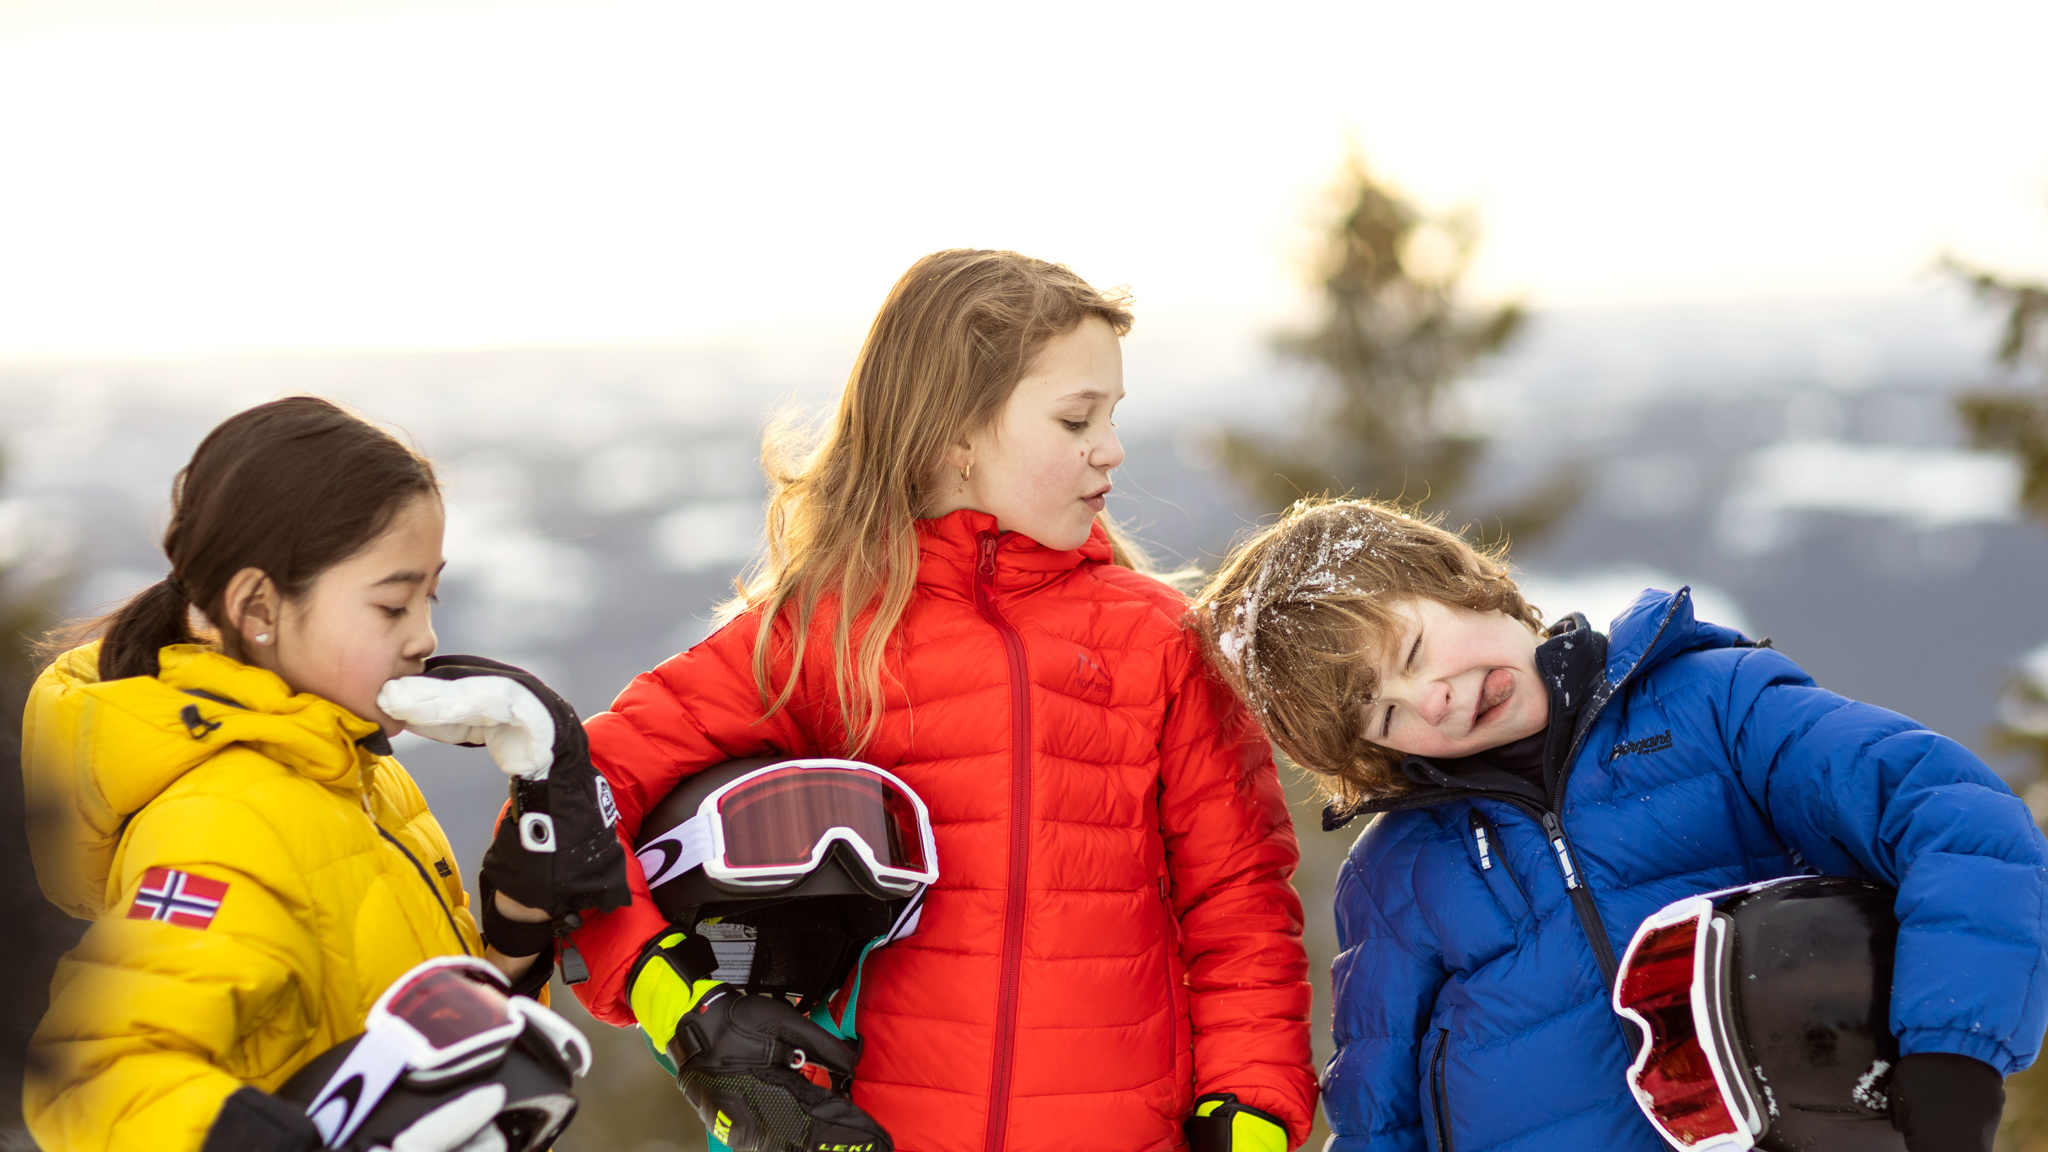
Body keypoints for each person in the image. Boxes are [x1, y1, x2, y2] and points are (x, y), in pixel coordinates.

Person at [566, 249, 1319, 1152]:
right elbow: (566, 807)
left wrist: (1252, 1113)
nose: (1111, 449)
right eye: (1077, 418)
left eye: (1112, 417)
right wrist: (680, 1004)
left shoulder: (1158, 643)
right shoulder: (830, 633)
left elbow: (1240, 902)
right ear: (955, 435)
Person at [1189, 497, 2048, 1152]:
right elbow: (1379, 1108)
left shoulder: (1718, 709)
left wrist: (1953, 1053)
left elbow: (1954, 821)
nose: (1433, 701)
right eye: (1386, 716)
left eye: (1413, 655)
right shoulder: (1397, 876)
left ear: (1467, 587)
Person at [19, 397, 620, 1152]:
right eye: (393, 604)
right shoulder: (225, 820)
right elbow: (94, 1074)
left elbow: (404, 1023)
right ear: (259, 607)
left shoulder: (358, 775)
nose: (425, 636)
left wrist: (522, 921)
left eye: (428, 597)